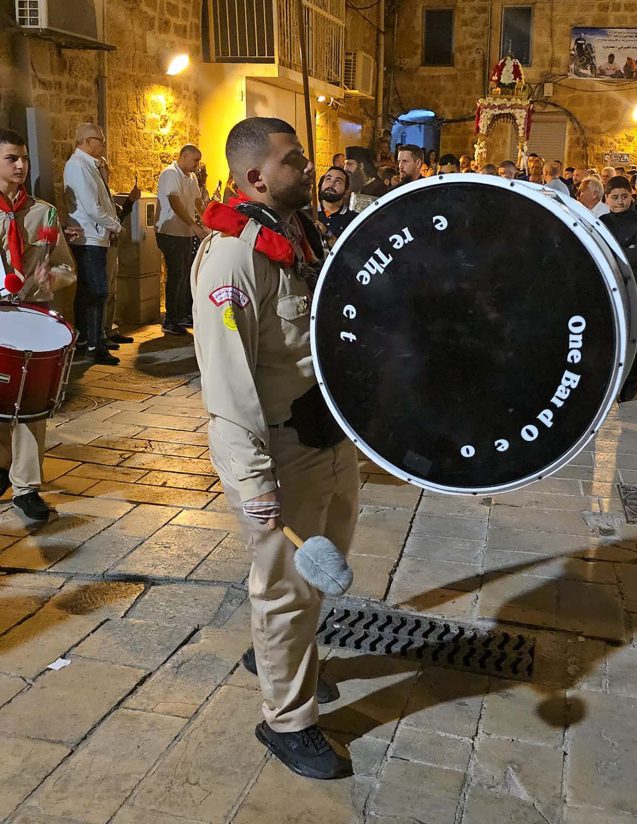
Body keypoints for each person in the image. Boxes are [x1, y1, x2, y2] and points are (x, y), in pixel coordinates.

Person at [192, 117, 359, 780]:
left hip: (326, 435)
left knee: (316, 573)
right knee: (286, 589)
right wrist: (255, 482)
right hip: (280, 449)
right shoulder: (233, 256)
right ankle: (286, 720)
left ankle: (281, 658)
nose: (310, 167)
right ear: (256, 176)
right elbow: (228, 382)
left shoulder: (298, 231)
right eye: (295, 160)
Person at [0, 128, 76, 521]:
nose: (21, 165)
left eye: (24, 158)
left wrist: (53, 277)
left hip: (29, 315)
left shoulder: (43, 213)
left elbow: (67, 268)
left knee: (28, 404)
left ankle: (26, 488)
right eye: (11, 158)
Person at [64, 122, 123, 365]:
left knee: (90, 291)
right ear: (88, 142)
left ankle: (86, 340)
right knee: (97, 291)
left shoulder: (90, 165)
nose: (104, 145)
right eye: (101, 140)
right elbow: (91, 207)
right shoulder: (78, 165)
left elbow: (102, 201)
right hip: (89, 237)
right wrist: (116, 226)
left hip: (96, 235)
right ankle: (93, 345)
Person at [600, 175, 637, 401]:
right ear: (606, 198)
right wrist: (625, 250)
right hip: (609, 286)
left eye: (624, 196)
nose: (620, 202)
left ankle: (629, 385)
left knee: (635, 335)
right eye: (615, 197)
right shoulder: (602, 221)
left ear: (632, 196)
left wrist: (613, 253)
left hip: (636, 286)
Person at [155, 144, 207, 335]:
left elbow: (197, 201)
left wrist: (208, 221)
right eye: (195, 160)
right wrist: (193, 224)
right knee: (176, 274)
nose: (197, 165)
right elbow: (174, 201)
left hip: (184, 232)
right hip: (170, 231)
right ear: (184, 156)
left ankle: (181, 315)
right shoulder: (171, 174)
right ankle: (170, 320)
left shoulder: (191, 177)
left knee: (185, 273)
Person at [99, 157, 141, 348]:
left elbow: (119, 215)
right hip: (102, 245)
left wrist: (130, 201)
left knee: (112, 290)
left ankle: (109, 328)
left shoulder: (108, 192)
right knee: (104, 290)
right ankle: (101, 334)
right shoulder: (95, 192)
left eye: (106, 167)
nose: (107, 171)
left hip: (113, 245)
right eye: (103, 167)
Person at [317, 166, 357, 247]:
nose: (331, 184)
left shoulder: (355, 221)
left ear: (346, 191)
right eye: (328, 179)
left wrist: (328, 235)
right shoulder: (307, 215)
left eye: (338, 181)